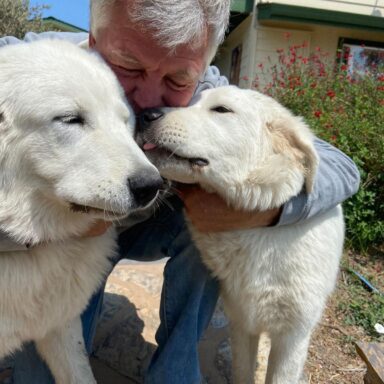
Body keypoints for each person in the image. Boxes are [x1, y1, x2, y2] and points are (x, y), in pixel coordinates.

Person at [0, 1, 360, 383]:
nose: (150, 99)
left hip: (148, 224)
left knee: (216, 214)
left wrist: (252, 214)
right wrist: (35, 234)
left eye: (177, 80)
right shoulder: (28, 66)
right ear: (93, 41)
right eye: (129, 66)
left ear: (203, 70)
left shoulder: (206, 94)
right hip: (62, 241)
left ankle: (176, 371)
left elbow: (341, 169)